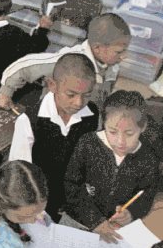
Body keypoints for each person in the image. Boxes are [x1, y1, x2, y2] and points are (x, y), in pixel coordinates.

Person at [7, 53, 100, 221]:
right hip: (39, 196)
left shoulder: (92, 114)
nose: (79, 103)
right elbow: (20, 171)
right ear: (52, 85)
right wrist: (33, 207)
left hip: (69, 194)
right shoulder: (30, 120)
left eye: (86, 95)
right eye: (71, 94)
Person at [64, 90, 160, 241]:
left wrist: (131, 213)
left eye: (129, 134)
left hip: (115, 228)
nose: (120, 141)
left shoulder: (148, 158)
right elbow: (71, 185)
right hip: (77, 220)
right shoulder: (88, 144)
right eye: (113, 132)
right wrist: (95, 221)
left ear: (143, 127)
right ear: (104, 124)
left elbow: (146, 195)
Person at [0, 13, 131, 111]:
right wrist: (5, 93)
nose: (124, 56)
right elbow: (25, 65)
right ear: (97, 47)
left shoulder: (112, 66)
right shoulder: (69, 61)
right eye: (119, 52)